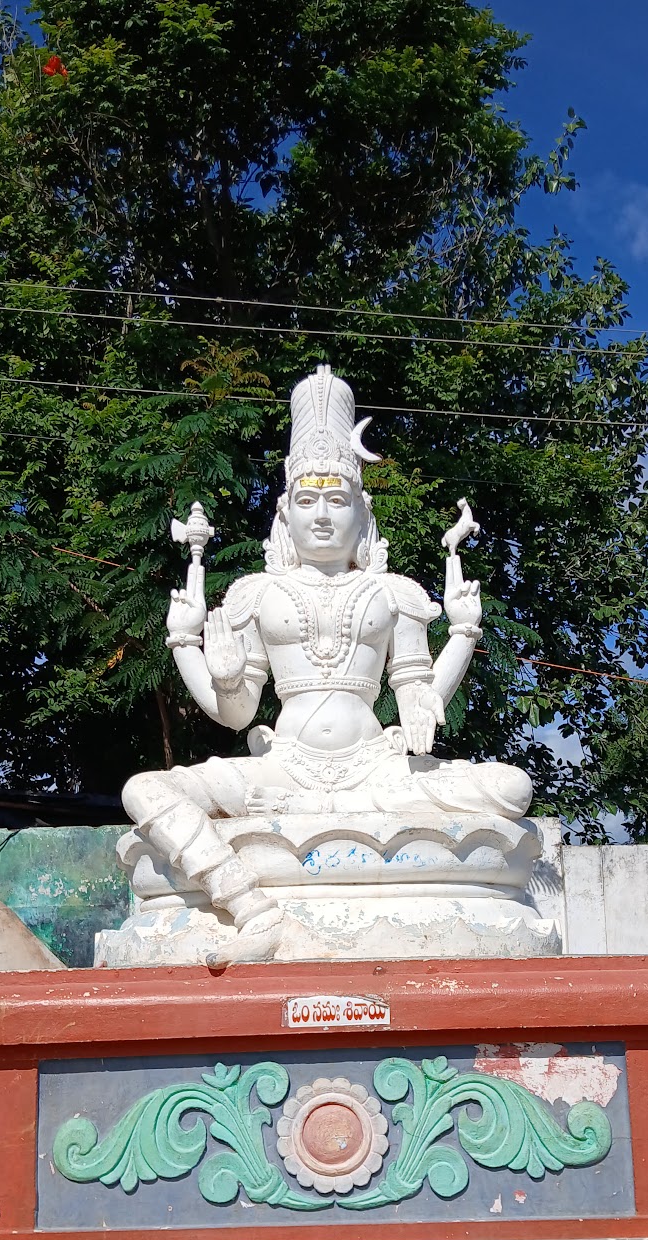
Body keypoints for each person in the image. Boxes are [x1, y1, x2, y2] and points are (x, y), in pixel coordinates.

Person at [121, 365, 532, 957]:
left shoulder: (394, 593)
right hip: (281, 770)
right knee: (144, 791)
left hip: (377, 770)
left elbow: (416, 690)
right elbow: (235, 716)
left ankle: (278, 864)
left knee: (510, 788)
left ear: (360, 512)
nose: (321, 514)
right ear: (285, 513)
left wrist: (462, 635)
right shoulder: (254, 594)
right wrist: (216, 664)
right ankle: (249, 906)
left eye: (336, 499)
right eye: (307, 500)